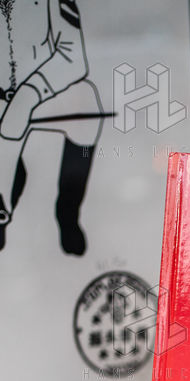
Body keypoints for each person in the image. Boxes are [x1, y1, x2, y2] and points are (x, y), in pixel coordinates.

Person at [0, 0, 102, 254]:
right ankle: (3, 207)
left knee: (88, 105)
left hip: (41, 89)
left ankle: (68, 209)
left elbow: (73, 56)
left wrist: (30, 94)